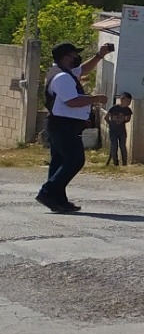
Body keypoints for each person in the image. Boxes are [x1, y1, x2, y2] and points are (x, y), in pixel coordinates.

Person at [37, 41, 113, 213]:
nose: (77, 58)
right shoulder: (62, 77)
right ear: (65, 58)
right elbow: (72, 101)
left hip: (60, 124)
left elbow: (83, 70)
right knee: (75, 160)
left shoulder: (63, 72)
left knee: (59, 162)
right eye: (74, 56)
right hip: (63, 125)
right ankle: (47, 192)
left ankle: (58, 200)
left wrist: (100, 55)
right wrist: (96, 99)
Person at [106, 91, 133, 166]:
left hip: (122, 130)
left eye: (130, 101)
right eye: (127, 101)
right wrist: (111, 124)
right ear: (122, 99)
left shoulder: (128, 110)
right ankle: (115, 163)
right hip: (113, 130)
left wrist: (123, 121)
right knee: (114, 146)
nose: (128, 103)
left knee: (123, 146)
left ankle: (124, 163)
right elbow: (106, 118)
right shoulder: (114, 108)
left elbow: (128, 119)